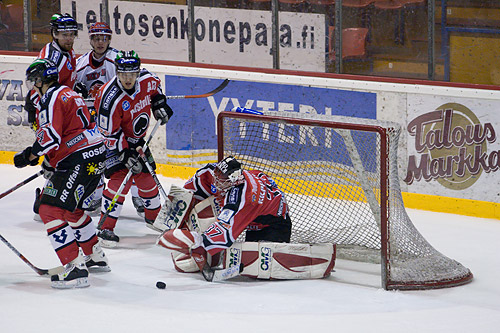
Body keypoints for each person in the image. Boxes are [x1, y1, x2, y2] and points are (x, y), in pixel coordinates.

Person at [14, 58, 110, 289]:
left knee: (49, 209)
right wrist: (52, 160)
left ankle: (75, 268)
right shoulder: (69, 93)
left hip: (77, 159)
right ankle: (94, 255)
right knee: (73, 210)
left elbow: (50, 136)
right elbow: (73, 129)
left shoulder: (50, 98)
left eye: (33, 81)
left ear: (39, 80)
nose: (33, 87)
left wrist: (29, 156)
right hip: (95, 155)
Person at [157, 156, 336, 280]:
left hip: (273, 223)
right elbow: (188, 190)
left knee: (256, 262)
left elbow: (223, 234)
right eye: (217, 177)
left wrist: (197, 242)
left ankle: (314, 259)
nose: (217, 183)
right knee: (207, 211)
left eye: (223, 182)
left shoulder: (241, 197)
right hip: (254, 214)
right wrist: (170, 221)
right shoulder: (213, 173)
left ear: (235, 181)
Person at [94, 50, 173, 247]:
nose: (128, 78)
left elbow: (156, 90)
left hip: (137, 142)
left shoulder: (146, 79)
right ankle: (105, 227)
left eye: (131, 74)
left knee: (147, 180)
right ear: (117, 73)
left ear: (137, 72)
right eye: (123, 74)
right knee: (120, 182)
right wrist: (124, 152)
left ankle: (155, 219)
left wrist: (159, 103)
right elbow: (107, 134)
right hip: (113, 144)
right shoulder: (109, 99)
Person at [75, 22, 144, 217]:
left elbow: (136, 80)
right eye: (96, 38)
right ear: (90, 40)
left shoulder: (118, 60)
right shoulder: (80, 65)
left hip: (122, 117)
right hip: (94, 120)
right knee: (96, 156)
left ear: (109, 39)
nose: (100, 42)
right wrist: (78, 92)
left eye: (104, 38)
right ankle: (95, 194)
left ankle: (139, 196)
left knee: (132, 155)